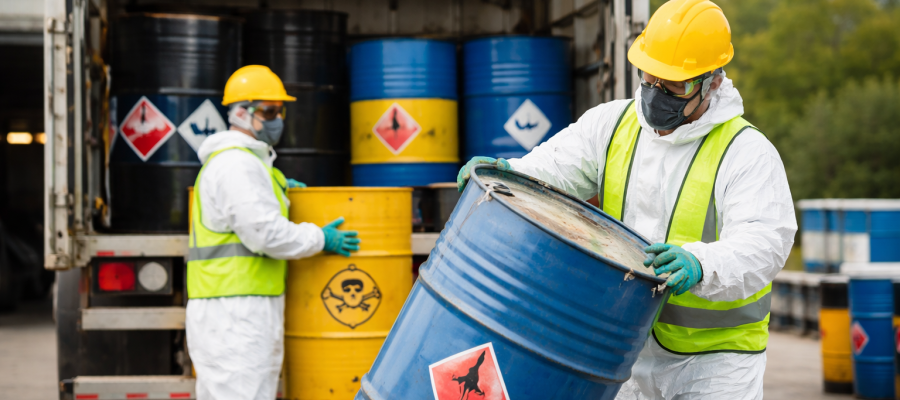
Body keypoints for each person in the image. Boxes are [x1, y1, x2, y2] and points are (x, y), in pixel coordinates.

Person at [457, 0, 796, 398]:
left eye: (675, 84)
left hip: (715, 361)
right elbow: (552, 170)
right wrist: (505, 174)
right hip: (624, 345)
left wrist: (702, 264)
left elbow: (766, 242)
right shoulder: (612, 124)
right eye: (650, 77)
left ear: (713, 81)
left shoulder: (745, 151)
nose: (657, 92)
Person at [185, 65, 360, 400]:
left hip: (235, 308)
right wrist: (321, 238)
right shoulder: (237, 166)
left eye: (280, 110)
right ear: (240, 113)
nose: (277, 118)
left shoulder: (248, 165)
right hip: (236, 315)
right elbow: (265, 235)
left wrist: (276, 187)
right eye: (268, 111)